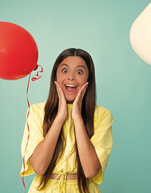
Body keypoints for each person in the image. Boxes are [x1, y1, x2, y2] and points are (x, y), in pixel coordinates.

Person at [20, 48, 113, 193]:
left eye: (79, 72)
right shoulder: (36, 112)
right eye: (65, 70)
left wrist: (77, 117)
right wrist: (60, 117)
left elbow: (90, 171)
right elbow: (39, 167)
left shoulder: (102, 115)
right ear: (55, 76)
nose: (71, 77)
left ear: (88, 79)